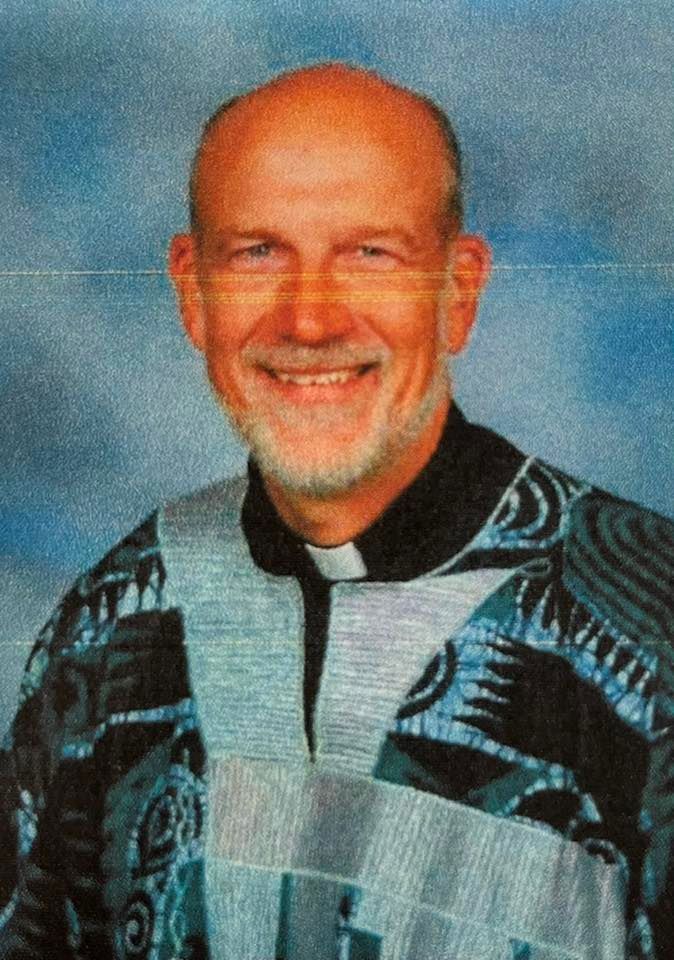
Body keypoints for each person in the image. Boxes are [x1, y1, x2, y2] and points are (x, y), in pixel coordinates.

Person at [0, 63, 672, 960]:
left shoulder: (647, 629)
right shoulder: (112, 625)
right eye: (258, 253)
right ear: (192, 292)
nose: (309, 321)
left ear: (459, 290)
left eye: (370, 254)